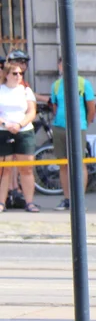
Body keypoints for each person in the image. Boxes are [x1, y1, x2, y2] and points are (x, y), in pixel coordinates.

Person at [49, 57, 96, 210]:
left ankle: (80, 199)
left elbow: (91, 109)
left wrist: (84, 124)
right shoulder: (56, 85)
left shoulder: (83, 83)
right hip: (60, 127)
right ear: (59, 66)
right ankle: (67, 198)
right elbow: (55, 106)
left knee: (79, 162)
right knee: (63, 164)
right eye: (62, 64)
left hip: (78, 127)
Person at [0, 61, 40, 213]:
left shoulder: (25, 91)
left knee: (26, 169)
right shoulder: (1, 90)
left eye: (20, 74)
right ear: (7, 75)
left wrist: (20, 124)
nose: (18, 76)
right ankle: (2, 202)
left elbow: (31, 111)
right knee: (5, 170)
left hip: (23, 131)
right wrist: (6, 124)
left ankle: (29, 202)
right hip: (4, 130)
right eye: (14, 73)